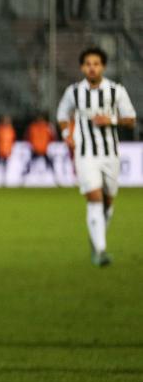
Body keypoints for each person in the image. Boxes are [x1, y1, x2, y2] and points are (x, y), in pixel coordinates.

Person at [56, 47, 136, 267]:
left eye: (96, 64)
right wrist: (66, 134)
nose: (92, 68)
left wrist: (110, 120)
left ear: (103, 67)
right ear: (82, 67)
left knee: (108, 202)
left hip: (110, 154)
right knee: (94, 198)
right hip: (85, 154)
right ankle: (100, 250)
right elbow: (62, 114)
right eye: (88, 64)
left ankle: (96, 240)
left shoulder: (116, 91)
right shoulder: (73, 92)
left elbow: (130, 119)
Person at [21, 114, 59, 186]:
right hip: (40, 148)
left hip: (39, 148)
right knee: (48, 163)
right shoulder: (46, 126)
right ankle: (55, 176)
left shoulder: (37, 126)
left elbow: (27, 136)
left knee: (32, 163)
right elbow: (53, 137)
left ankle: (24, 175)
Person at [0, 115, 15, 187]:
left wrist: (9, 150)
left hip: (6, 152)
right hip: (1, 151)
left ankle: (3, 180)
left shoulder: (10, 129)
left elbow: (12, 141)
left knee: (4, 167)